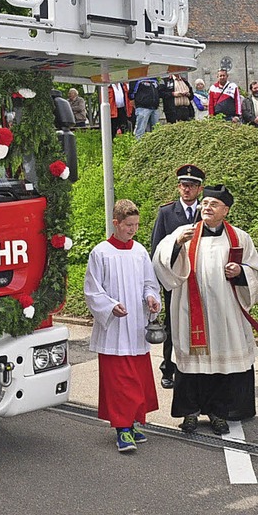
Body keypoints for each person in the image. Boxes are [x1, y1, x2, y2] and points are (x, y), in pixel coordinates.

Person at [153, 185, 258, 435]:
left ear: (226, 210)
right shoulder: (185, 232)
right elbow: (160, 260)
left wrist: (240, 272)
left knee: (220, 364)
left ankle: (218, 412)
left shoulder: (240, 238)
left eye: (213, 204)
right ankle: (189, 413)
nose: (206, 207)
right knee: (191, 364)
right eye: (205, 203)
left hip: (225, 313)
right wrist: (177, 244)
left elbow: (254, 268)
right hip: (191, 310)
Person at [84, 199, 162, 452]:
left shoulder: (140, 251)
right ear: (115, 223)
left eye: (137, 225)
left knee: (137, 380)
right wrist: (109, 306)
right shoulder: (100, 252)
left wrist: (151, 298)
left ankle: (133, 423)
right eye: (129, 225)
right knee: (120, 382)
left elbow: (150, 283)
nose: (133, 229)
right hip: (115, 331)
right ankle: (122, 430)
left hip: (137, 327)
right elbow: (93, 291)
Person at [150, 164, 205, 390]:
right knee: (172, 325)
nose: (187, 190)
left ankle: (196, 367)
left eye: (192, 186)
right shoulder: (167, 212)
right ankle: (168, 368)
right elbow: (156, 248)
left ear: (199, 189)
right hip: (174, 278)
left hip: (200, 278)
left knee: (198, 323)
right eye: (183, 185)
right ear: (178, 187)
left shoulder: (207, 211)